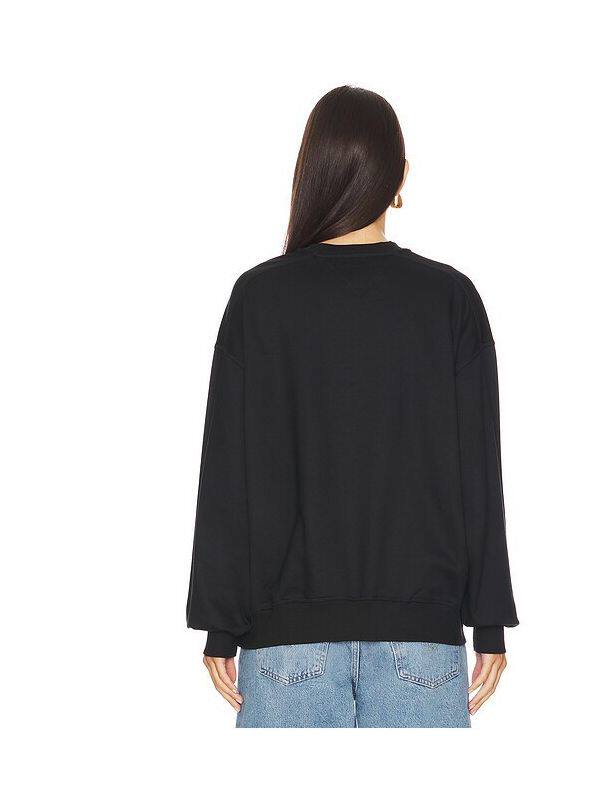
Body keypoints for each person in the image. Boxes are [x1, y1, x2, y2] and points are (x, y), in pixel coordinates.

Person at [187, 86, 518, 728]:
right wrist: (489, 622)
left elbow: (230, 473)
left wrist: (220, 626)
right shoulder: (451, 300)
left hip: (285, 644)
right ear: (400, 177)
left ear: (311, 173)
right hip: (422, 642)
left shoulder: (259, 299)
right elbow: (479, 471)